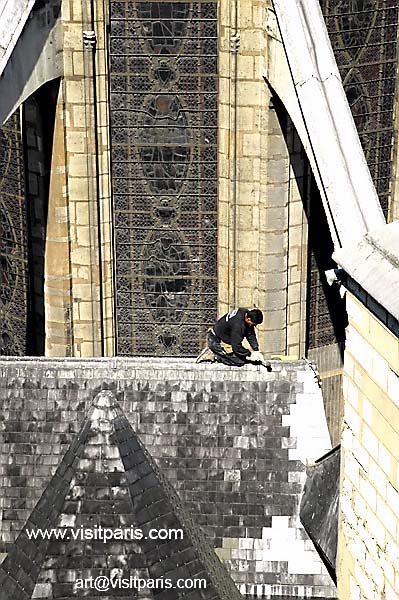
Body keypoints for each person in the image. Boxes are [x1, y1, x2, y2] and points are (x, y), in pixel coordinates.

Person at [196, 308, 271, 369]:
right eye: (254, 324)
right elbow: (236, 347)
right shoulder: (238, 326)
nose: (254, 326)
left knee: (243, 357)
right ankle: (214, 354)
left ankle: (217, 353)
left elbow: (250, 334)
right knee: (239, 361)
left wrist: (256, 350)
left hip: (224, 338)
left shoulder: (244, 312)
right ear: (248, 319)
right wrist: (250, 354)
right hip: (216, 341)